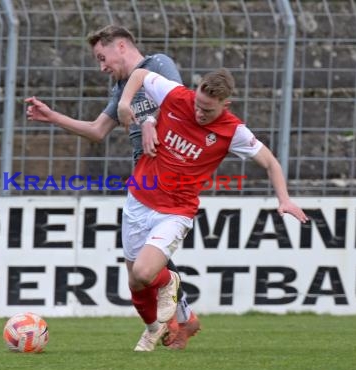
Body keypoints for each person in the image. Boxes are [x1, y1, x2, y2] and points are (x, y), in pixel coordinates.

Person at [25, 25, 199, 350]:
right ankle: (182, 318)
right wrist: (53, 117)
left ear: (120, 46)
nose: (101, 66)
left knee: (147, 261)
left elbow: (181, 106)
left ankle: (178, 322)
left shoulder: (158, 64)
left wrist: (148, 122)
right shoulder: (120, 87)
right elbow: (96, 131)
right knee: (142, 261)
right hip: (144, 179)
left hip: (169, 176)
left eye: (102, 57)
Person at [116, 67, 309, 351]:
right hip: (138, 200)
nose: (199, 113)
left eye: (207, 110)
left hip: (175, 212)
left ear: (224, 104)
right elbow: (140, 74)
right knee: (135, 283)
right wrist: (125, 103)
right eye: (197, 104)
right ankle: (156, 328)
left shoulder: (233, 131)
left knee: (144, 274)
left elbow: (270, 162)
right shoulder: (176, 95)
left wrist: (285, 199)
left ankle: (171, 282)